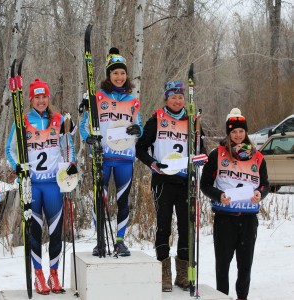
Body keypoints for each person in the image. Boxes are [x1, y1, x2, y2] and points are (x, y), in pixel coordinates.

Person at [5, 78, 77, 295]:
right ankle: (38, 274)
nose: (41, 100)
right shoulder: (22, 121)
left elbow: (68, 147)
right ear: (30, 99)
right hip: (33, 185)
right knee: (34, 232)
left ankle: (54, 273)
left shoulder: (58, 120)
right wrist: (18, 168)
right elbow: (10, 150)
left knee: (56, 233)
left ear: (48, 97)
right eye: (37, 97)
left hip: (54, 185)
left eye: (44, 96)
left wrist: (70, 167)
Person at [135, 81, 207, 292]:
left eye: (180, 97)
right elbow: (140, 148)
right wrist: (152, 164)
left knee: (186, 227)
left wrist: (199, 160)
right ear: (166, 99)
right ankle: (163, 272)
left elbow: (202, 150)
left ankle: (183, 273)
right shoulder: (156, 120)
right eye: (173, 97)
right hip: (163, 181)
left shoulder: (193, 121)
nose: (177, 101)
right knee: (163, 226)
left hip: (186, 181)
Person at [80, 47, 143, 257]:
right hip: (103, 157)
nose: (119, 77)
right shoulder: (98, 97)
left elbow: (138, 126)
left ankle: (119, 241)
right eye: (115, 73)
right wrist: (89, 139)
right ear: (109, 75)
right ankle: (100, 240)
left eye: (122, 73)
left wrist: (138, 130)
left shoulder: (132, 101)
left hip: (125, 157)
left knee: (123, 200)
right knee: (101, 199)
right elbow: (84, 126)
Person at [200, 108, 269, 300]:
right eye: (234, 132)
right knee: (222, 265)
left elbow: (265, 184)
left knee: (245, 265)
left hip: (248, 219)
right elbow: (204, 185)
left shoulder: (257, 156)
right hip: (225, 219)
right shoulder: (218, 154)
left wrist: (259, 193)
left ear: (246, 133)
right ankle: (221, 297)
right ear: (228, 133)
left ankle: (242, 297)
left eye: (241, 131)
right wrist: (219, 195)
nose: (238, 135)